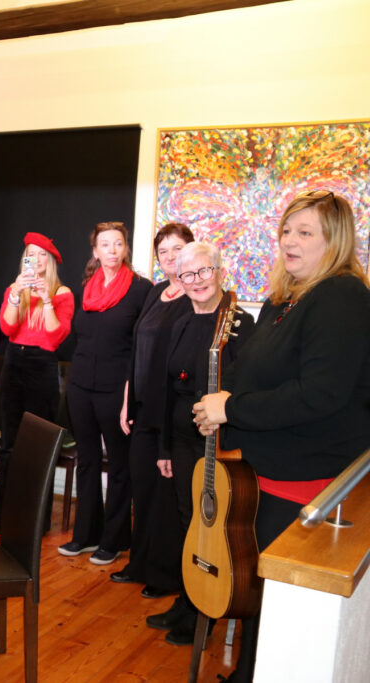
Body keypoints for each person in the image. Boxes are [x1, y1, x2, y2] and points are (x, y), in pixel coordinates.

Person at [193, 190, 370, 681]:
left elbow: (319, 395)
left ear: (335, 241)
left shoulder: (342, 297)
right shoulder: (283, 299)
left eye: (305, 232)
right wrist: (219, 410)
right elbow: (253, 376)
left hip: (307, 487)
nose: (289, 240)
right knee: (262, 605)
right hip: (265, 478)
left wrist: (231, 409)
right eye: (286, 230)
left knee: (283, 617)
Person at [143, 241, 254, 645]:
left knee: (212, 526)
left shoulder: (240, 323)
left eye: (204, 271)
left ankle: (206, 610)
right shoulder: (179, 321)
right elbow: (165, 388)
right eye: (188, 274)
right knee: (186, 521)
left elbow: (245, 386)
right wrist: (164, 448)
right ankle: (188, 600)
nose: (197, 281)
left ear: (219, 271)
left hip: (219, 443)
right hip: (181, 441)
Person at [59, 221, 152, 564]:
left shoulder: (141, 289)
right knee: (86, 461)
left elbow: (142, 347)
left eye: (118, 243)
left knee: (118, 466)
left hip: (117, 389)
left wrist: (130, 392)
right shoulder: (88, 288)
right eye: (105, 244)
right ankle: (85, 535)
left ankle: (113, 540)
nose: (112, 250)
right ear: (95, 252)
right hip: (80, 386)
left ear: (125, 249)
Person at [111, 223, 194, 591]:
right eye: (163, 251)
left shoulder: (195, 297)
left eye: (177, 248)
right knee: (142, 489)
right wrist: (126, 400)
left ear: (191, 250)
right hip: (141, 407)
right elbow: (136, 351)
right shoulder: (156, 292)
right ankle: (139, 564)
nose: (170, 256)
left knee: (165, 497)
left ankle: (164, 574)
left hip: (170, 412)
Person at [0, 232, 73, 535]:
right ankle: (2, 516)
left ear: (50, 261)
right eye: (30, 254)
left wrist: (47, 300)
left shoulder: (62, 293)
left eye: (41, 255)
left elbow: (55, 336)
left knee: (40, 444)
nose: (36, 260)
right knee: (9, 444)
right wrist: (16, 295)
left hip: (42, 366)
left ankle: (37, 520)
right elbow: (7, 328)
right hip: (14, 363)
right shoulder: (14, 289)